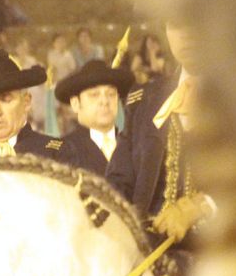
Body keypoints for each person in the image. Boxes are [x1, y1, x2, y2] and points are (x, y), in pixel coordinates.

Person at [107, 22, 213, 243]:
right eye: (176, 24)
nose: (186, 33)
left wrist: (205, 206)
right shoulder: (144, 99)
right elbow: (119, 181)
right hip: (147, 249)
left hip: (224, 251)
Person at [54, 59, 133, 177]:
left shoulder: (134, 147)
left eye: (111, 94)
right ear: (75, 103)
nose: (105, 101)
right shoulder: (61, 152)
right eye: (94, 95)